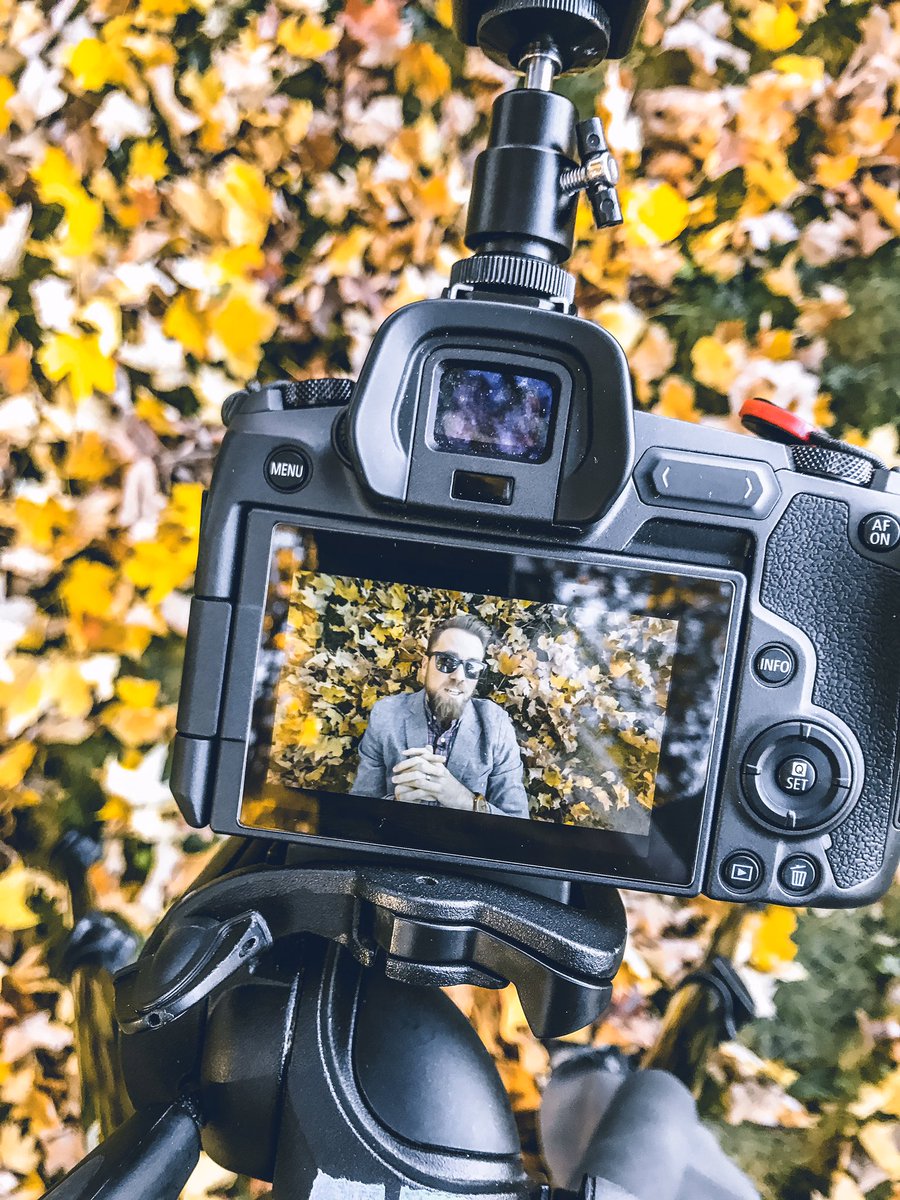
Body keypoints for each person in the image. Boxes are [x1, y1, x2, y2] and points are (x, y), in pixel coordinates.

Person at [350, 614, 529, 818]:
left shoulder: (496, 725)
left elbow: (518, 822)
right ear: (425, 664)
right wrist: (396, 804)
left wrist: (463, 800)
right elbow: (359, 812)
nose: (459, 676)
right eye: (447, 661)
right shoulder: (386, 715)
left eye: (472, 667)